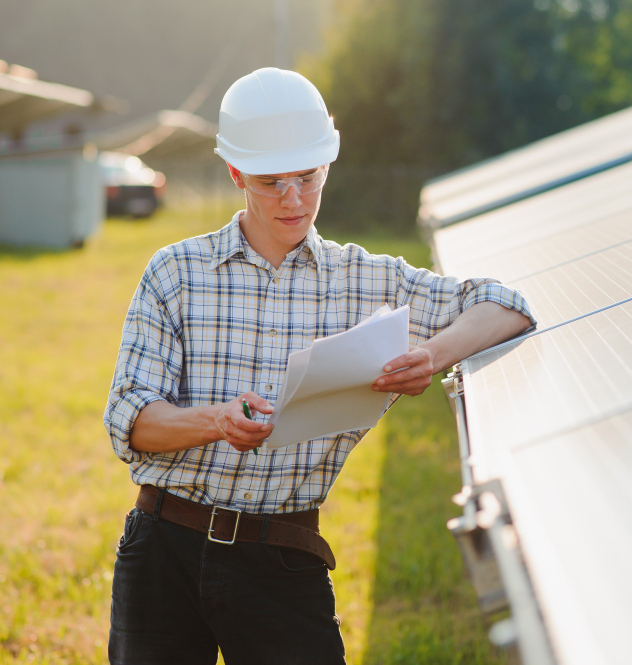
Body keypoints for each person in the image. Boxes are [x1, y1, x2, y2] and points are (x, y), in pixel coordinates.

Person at [103, 67, 534, 665]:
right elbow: (130, 422)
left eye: (307, 178)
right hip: (163, 552)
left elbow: (507, 306)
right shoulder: (175, 273)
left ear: (326, 165)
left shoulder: (369, 280)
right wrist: (216, 422)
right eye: (271, 182)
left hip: (284, 557)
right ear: (236, 175)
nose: (294, 199)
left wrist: (430, 357)